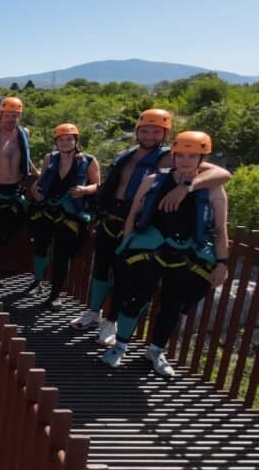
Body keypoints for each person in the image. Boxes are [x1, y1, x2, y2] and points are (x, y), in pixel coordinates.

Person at [69, 109, 231, 345]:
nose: (149, 135)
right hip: (111, 217)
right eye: (145, 130)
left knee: (126, 277)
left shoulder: (173, 157)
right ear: (137, 131)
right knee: (102, 270)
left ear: (165, 134)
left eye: (156, 131)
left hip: (138, 224)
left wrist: (186, 187)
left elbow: (222, 174)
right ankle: (93, 313)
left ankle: (111, 323)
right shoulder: (126, 154)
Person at [100, 131, 229, 377]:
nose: (186, 160)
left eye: (193, 155)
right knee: (136, 299)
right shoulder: (154, 180)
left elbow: (221, 230)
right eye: (180, 155)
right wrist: (124, 246)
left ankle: (156, 350)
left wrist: (222, 262)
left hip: (186, 256)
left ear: (203, 157)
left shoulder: (213, 190)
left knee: (173, 305)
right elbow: (134, 214)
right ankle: (120, 345)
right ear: (173, 155)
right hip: (150, 251)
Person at [24, 124, 100, 308]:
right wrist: (34, 188)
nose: (65, 143)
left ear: (76, 141)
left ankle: (55, 293)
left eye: (69, 139)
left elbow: (97, 185)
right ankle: (37, 282)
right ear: (56, 142)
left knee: (62, 255)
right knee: (40, 247)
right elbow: (42, 179)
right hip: (48, 209)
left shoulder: (89, 161)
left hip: (71, 214)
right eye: (61, 139)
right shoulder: (50, 158)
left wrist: (84, 190)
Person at [0, 96, 37, 284]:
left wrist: (38, 174)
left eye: (15, 116)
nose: (11, 119)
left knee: (12, 228)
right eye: (8, 115)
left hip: (15, 190)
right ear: (0, 115)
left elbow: (25, 157)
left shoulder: (23, 134)